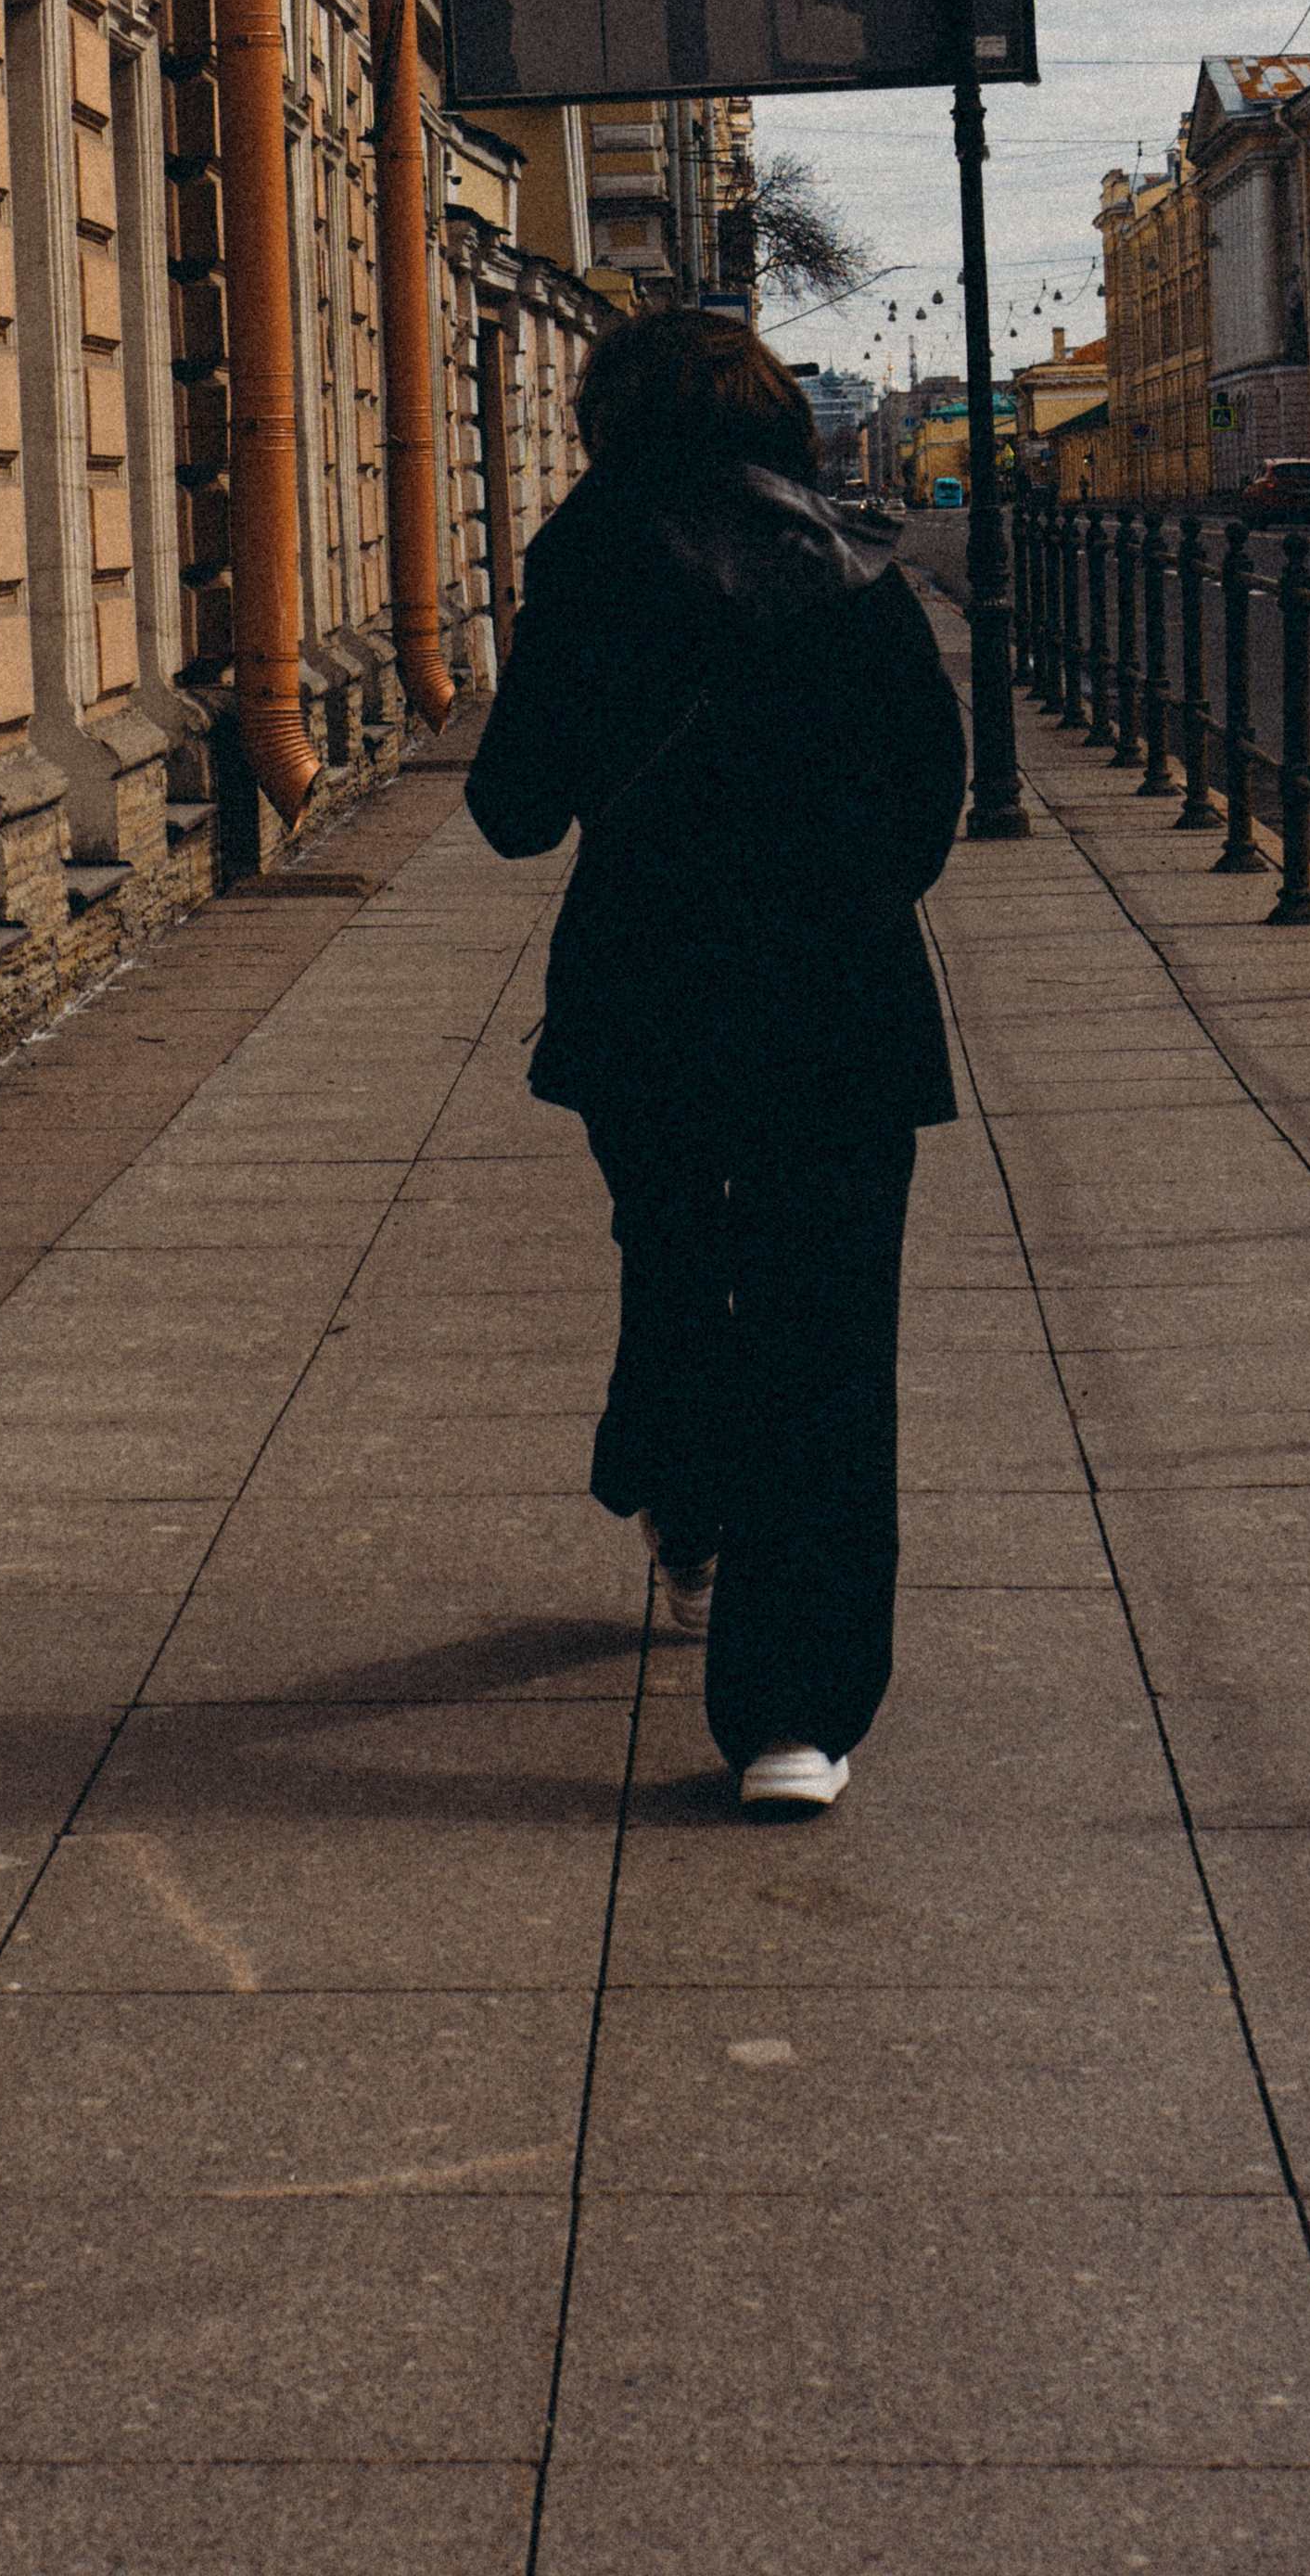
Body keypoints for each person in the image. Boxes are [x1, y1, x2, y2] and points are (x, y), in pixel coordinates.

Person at [465, 311, 968, 1815]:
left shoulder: (583, 565)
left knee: (678, 1256)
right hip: (843, 1007)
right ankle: (794, 1721)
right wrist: (839, 906)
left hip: (651, 1002)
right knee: (831, 1336)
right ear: (777, 417)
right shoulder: (860, 567)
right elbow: (929, 795)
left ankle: (684, 1501)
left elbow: (512, 812)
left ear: (609, 422)